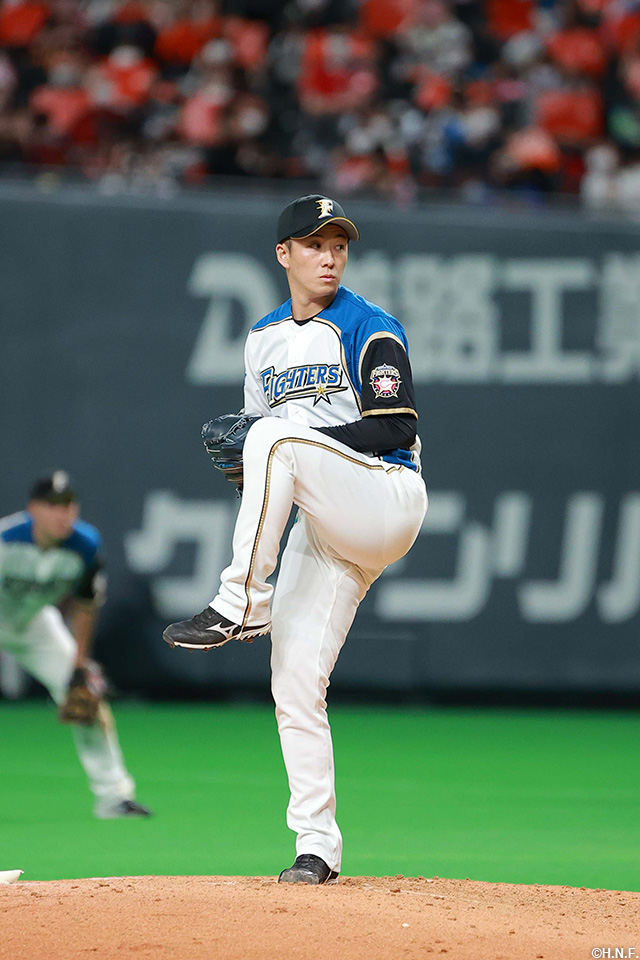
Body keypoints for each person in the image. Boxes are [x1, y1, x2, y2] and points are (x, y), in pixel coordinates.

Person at [163, 194, 427, 882]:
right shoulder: (262, 340)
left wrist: (290, 440)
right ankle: (317, 849)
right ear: (284, 254)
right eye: (314, 244)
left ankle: (242, 602)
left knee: (276, 436)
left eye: (339, 245)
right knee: (295, 682)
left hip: (385, 496)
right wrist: (261, 461)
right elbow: (258, 453)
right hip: (325, 521)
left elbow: (397, 424)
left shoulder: (369, 325)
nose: (330, 257)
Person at [0, 471, 152, 819]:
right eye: (53, 506)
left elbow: (85, 605)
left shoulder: (85, 545)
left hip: (35, 624)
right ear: (32, 509)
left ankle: (114, 797)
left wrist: (79, 663)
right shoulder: (6, 540)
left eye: (68, 505)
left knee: (86, 697)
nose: (62, 514)